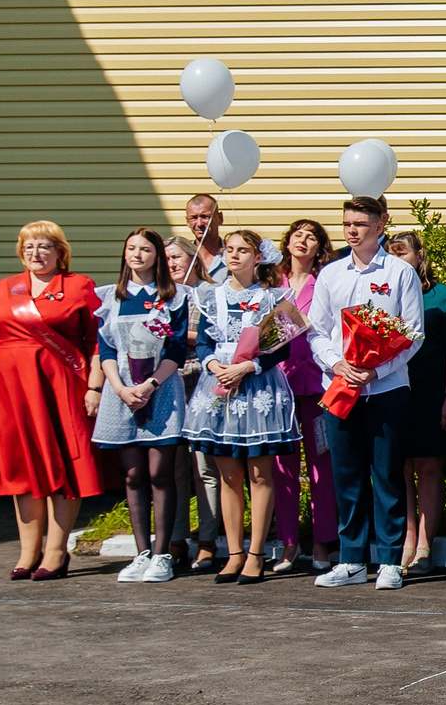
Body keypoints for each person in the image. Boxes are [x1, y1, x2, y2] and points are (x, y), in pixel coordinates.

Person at [0, 221, 106, 579]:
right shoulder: (6, 287)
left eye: (44, 246)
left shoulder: (79, 285)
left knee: (64, 467)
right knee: (23, 469)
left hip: (61, 389)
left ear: (60, 252)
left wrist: (94, 387)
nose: (36, 253)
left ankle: (56, 551)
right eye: (28, 247)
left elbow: (98, 341)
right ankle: (28, 552)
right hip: (10, 392)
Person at [307, 194, 426, 591]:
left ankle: (390, 559)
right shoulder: (331, 274)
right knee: (346, 475)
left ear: (380, 225)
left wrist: (376, 370)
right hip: (340, 387)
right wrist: (335, 364)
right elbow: (317, 331)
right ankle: (352, 559)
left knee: (387, 473)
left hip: (386, 388)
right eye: (347, 224)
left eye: (359, 224)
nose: (352, 231)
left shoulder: (400, 272)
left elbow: (413, 334)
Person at [183, 229, 303, 584]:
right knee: (228, 475)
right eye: (229, 249)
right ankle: (234, 552)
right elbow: (203, 342)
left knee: (259, 473)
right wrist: (213, 365)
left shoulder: (274, 297)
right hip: (219, 384)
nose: (234, 256)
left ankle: (256, 553)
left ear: (258, 257)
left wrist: (249, 366)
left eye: (242, 250)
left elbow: (282, 348)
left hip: (256, 385)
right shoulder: (209, 295)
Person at [93, 227, 195, 584]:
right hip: (121, 389)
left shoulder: (174, 297)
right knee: (133, 474)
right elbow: (106, 348)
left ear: (157, 257)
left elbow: (176, 349)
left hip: (160, 388)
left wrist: (150, 384)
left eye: (145, 249)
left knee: (160, 473)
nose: (137, 255)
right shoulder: (111, 296)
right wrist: (120, 388)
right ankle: (141, 553)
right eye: (131, 248)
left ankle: (163, 553)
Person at [383, 230, 446, 576]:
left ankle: (425, 544)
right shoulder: (382, 294)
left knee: (428, 466)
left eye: (403, 252)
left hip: (430, 390)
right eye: (391, 253)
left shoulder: (442, 296)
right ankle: (407, 540)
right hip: (391, 388)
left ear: (419, 256)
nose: (397, 258)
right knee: (398, 466)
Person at [271, 218, 338, 573]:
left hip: (316, 385)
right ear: (287, 242)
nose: (303, 241)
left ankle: (323, 541)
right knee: (282, 466)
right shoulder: (272, 281)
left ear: (319, 247)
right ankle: (289, 542)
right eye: (298, 234)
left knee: (321, 464)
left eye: (311, 237)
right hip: (278, 385)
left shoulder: (324, 281)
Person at [162, 235, 221, 573]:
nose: (172, 263)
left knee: (204, 466)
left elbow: (217, 335)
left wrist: (177, 335)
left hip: (201, 380)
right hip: (168, 383)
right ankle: (176, 537)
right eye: (166, 258)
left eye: (177, 257)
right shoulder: (161, 295)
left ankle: (208, 539)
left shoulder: (210, 292)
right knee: (174, 467)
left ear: (192, 258)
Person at [183, 193, 230, 285]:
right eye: (193, 218)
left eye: (205, 217)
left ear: (220, 218)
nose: (199, 223)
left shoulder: (233, 255)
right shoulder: (183, 257)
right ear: (187, 222)